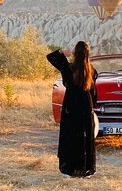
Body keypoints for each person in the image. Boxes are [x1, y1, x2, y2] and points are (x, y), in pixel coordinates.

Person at [46, 41, 98, 178]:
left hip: (71, 105)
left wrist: (62, 51)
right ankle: (86, 169)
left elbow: (50, 57)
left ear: (75, 52)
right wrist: (93, 107)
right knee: (85, 136)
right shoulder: (91, 70)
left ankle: (69, 169)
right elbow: (93, 92)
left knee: (70, 135)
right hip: (86, 105)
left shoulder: (68, 67)